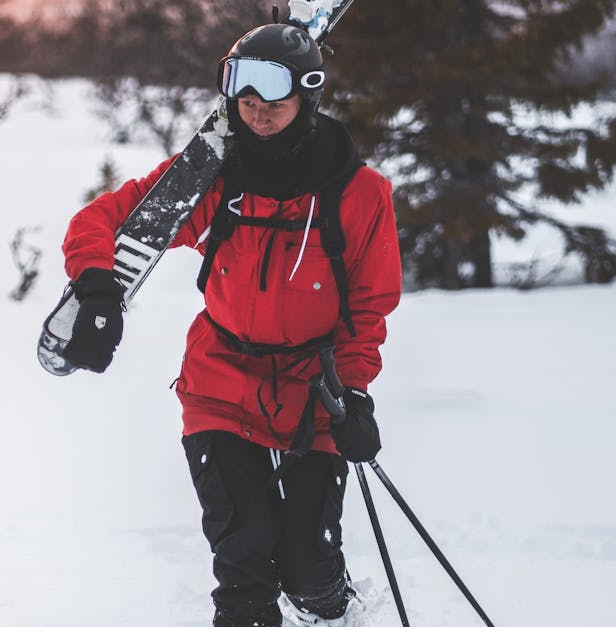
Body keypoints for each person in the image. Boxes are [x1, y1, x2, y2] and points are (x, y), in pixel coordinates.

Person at [59, 23, 402, 627]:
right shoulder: (209, 180)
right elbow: (104, 218)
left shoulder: (360, 194)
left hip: (313, 389)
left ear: (309, 94)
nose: (257, 110)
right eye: (243, 94)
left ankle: (332, 608)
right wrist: (95, 283)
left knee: (307, 564)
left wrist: (353, 392)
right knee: (244, 558)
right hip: (220, 381)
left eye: (275, 96)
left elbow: (366, 310)